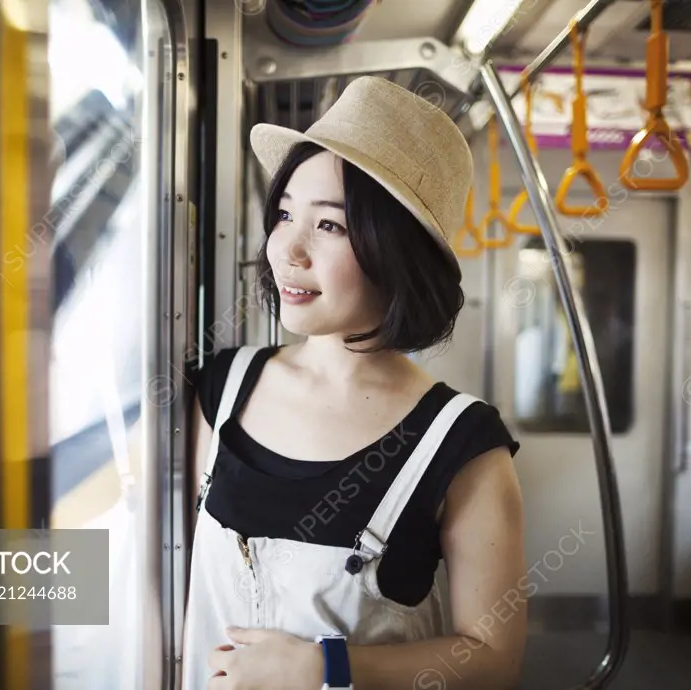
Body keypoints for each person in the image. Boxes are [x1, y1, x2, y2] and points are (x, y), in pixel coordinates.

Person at [181, 76, 526, 690]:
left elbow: (493, 658)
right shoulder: (220, 389)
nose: (288, 249)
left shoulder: (462, 443)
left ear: (396, 251)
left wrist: (326, 668)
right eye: (284, 213)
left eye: (330, 226)